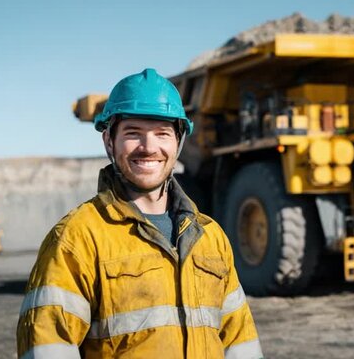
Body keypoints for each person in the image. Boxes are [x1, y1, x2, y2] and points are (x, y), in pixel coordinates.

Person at [16, 68, 263, 358]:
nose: (149, 147)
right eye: (133, 133)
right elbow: (48, 346)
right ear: (109, 141)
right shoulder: (77, 238)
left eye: (162, 134)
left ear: (178, 143)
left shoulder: (210, 237)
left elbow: (240, 343)